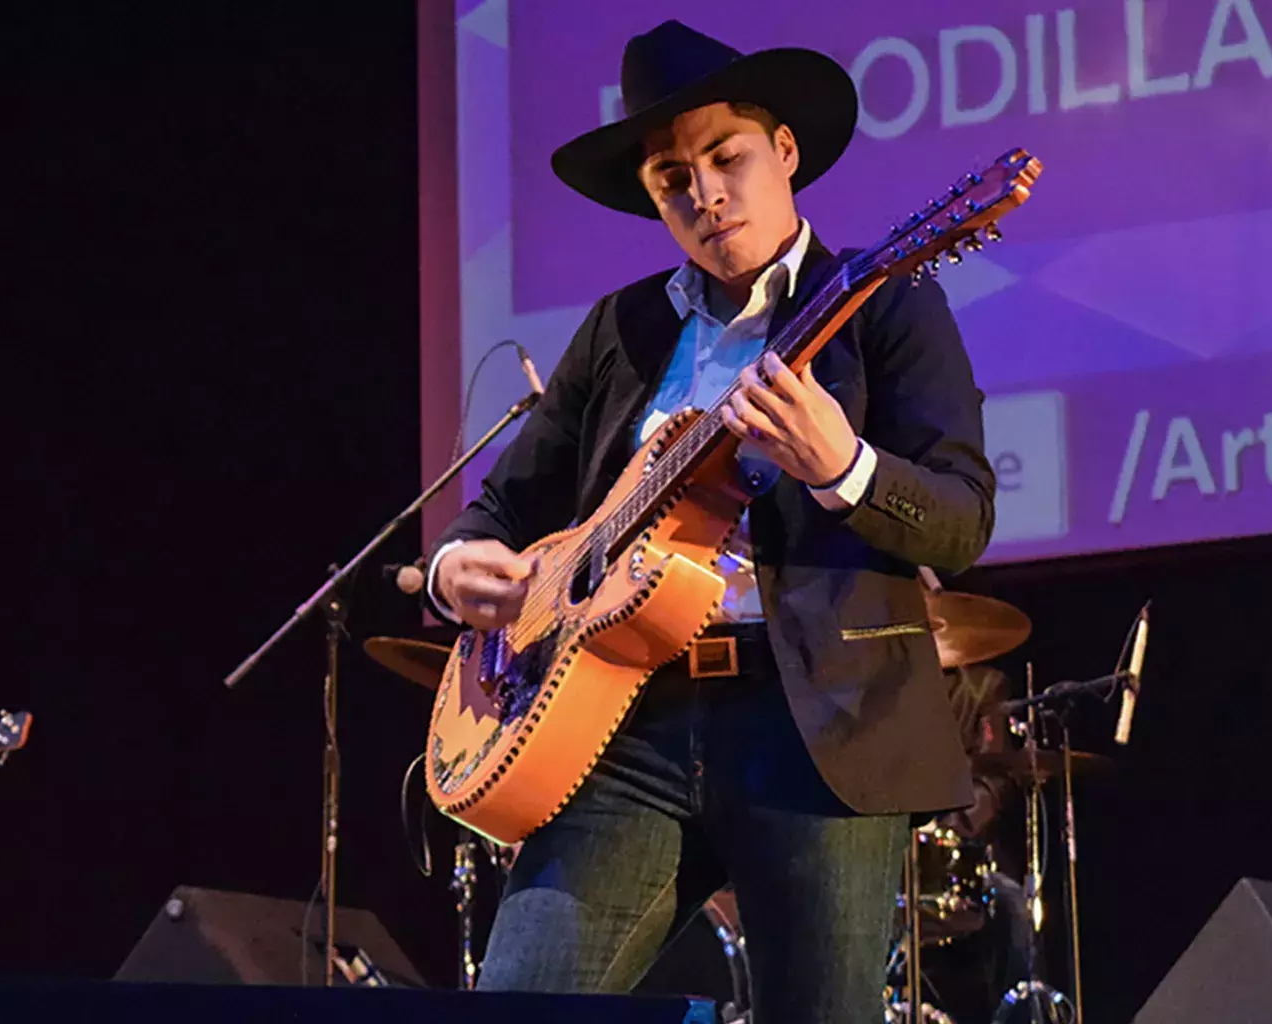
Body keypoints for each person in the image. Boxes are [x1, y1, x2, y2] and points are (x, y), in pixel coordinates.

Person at [425, 20, 995, 1020]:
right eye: (671, 179)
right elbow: (510, 500)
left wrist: (844, 468)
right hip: (623, 720)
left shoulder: (884, 305)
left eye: (726, 157)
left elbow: (962, 518)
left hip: (815, 723)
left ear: (785, 151)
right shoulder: (623, 327)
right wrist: (458, 562)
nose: (704, 193)